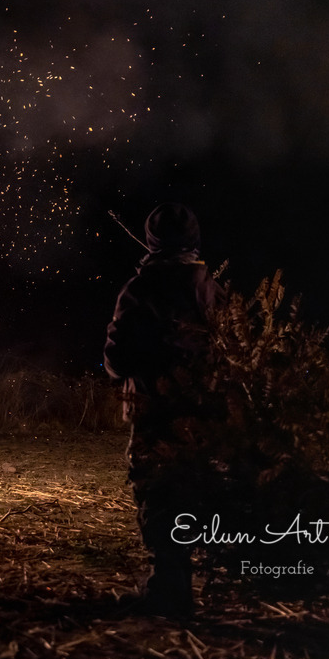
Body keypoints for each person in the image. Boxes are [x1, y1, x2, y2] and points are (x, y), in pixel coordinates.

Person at [103, 202, 224, 618]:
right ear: (194, 239)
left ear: (153, 240)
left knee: (157, 489)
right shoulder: (211, 287)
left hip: (152, 409)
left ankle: (169, 589)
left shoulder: (139, 289)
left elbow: (116, 358)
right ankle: (186, 585)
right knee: (193, 486)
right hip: (203, 410)